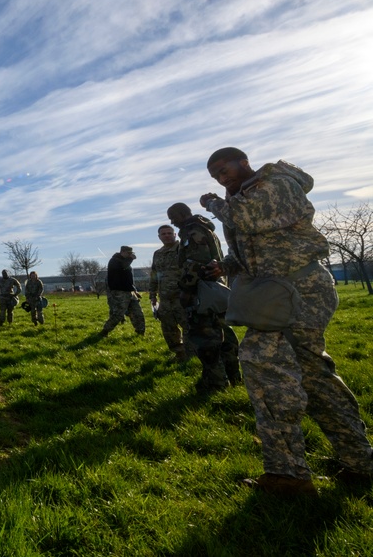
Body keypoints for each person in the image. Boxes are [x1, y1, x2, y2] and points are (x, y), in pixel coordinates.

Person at [201, 147, 373, 495]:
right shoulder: (246, 197)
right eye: (215, 175)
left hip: (297, 289)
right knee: (312, 375)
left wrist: (213, 203)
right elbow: (256, 246)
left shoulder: (275, 183)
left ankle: (288, 475)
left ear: (243, 161)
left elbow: (247, 219)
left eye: (224, 168)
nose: (222, 177)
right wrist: (228, 265)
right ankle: (360, 461)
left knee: (264, 368)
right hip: (281, 290)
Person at [167, 203, 241, 392]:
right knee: (225, 335)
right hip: (216, 291)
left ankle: (215, 383)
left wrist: (186, 290)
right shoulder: (206, 229)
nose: (172, 222)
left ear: (183, 214)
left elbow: (195, 264)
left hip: (202, 292)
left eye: (173, 217)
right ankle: (234, 377)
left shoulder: (191, 232)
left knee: (206, 339)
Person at [148, 225, 188, 363]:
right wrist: (152, 295)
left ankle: (193, 354)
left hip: (182, 297)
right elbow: (154, 275)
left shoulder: (182, 249)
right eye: (163, 234)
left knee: (188, 326)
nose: (167, 235)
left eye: (169, 233)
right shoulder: (157, 254)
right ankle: (179, 354)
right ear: (159, 237)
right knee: (168, 329)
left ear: (175, 235)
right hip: (164, 299)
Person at [99, 246, 145, 336]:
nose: (130, 255)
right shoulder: (114, 261)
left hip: (129, 292)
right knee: (118, 314)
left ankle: (140, 332)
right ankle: (105, 331)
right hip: (119, 292)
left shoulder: (125, 261)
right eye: (128, 253)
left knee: (137, 312)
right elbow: (122, 267)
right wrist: (130, 259)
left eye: (131, 254)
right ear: (122, 252)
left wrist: (134, 290)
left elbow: (128, 278)